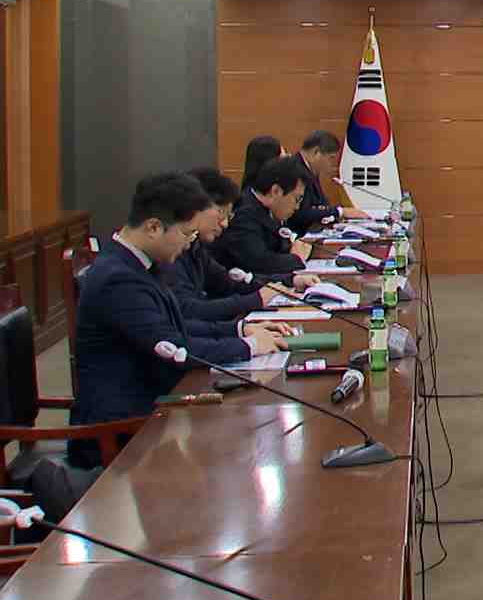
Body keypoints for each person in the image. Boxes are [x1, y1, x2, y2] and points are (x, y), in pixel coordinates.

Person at [70, 173, 290, 466]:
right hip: (123, 429)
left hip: (157, 404)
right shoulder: (118, 278)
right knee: (240, 446)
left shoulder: (141, 264)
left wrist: (240, 330)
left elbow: (176, 326)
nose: (188, 245)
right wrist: (248, 347)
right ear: (153, 227)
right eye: (187, 234)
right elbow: (176, 349)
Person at [166, 168, 319, 322]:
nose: (225, 224)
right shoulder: (171, 254)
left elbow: (229, 283)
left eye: (228, 216)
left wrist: (290, 280)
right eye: (221, 212)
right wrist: (254, 302)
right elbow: (188, 310)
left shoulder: (195, 247)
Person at [211, 155, 313, 275]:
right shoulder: (243, 215)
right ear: (276, 191)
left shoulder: (265, 209)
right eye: (297, 199)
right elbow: (259, 263)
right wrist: (296, 258)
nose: (297, 207)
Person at [289, 129, 369, 233]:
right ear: (316, 152)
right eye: (331, 158)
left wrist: (336, 215)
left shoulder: (310, 169)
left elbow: (320, 205)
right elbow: (300, 213)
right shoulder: (295, 170)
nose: (334, 164)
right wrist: (340, 212)